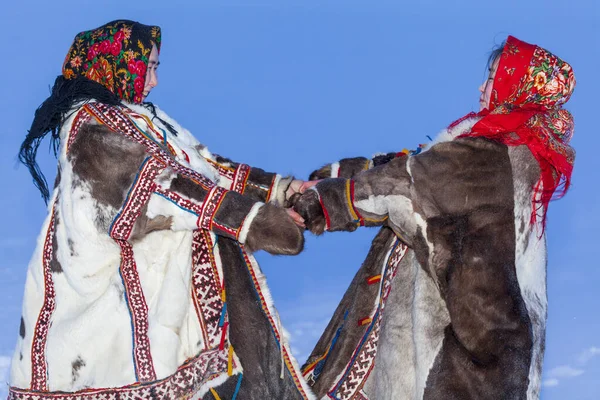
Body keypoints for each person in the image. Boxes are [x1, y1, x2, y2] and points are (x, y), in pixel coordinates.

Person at [10, 20, 315, 399]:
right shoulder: (92, 129)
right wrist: (251, 220)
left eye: (155, 68)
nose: (152, 81)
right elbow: (155, 187)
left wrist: (282, 190)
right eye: (148, 67)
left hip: (167, 319)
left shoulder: (140, 116)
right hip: (108, 330)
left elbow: (204, 168)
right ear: (118, 63)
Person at [295, 36, 575, 399]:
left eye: (491, 76)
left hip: (459, 365)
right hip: (501, 359)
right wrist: (338, 173)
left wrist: (322, 201)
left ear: (514, 85)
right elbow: (419, 165)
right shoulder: (516, 153)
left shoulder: (484, 156)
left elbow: (406, 182)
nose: (481, 86)